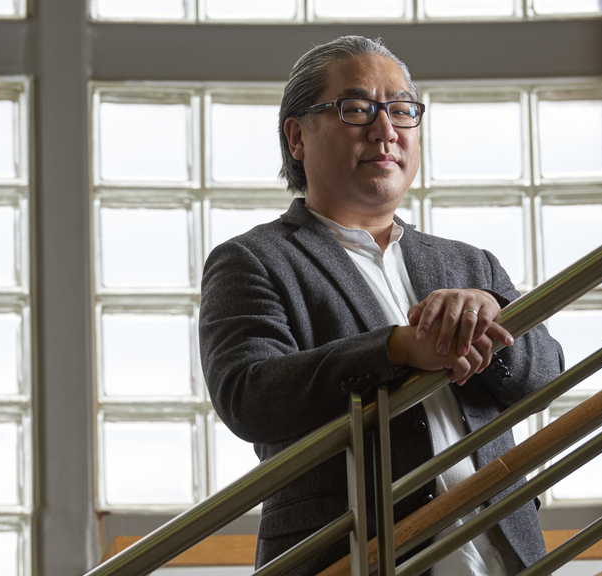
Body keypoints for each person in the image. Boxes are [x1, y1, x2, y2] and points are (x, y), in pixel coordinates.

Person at [199, 36, 564, 576]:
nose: (386, 130)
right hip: (351, 557)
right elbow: (248, 395)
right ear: (297, 137)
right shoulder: (252, 260)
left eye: (400, 110)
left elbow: (546, 374)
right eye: (357, 109)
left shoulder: (471, 266)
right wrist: (396, 349)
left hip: (503, 554)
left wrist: (487, 311)